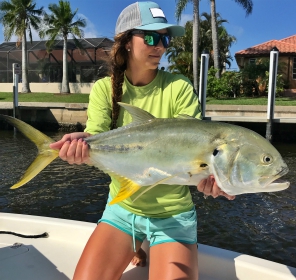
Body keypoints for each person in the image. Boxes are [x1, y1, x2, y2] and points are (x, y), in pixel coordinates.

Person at [50, 2, 235, 279]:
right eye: (150, 37)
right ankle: (136, 244)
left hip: (172, 216)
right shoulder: (104, 88)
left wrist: (216, 179)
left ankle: (146, 245)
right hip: (121, 210)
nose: (160, 45)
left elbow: (193, 146)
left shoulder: (178, 87)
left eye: (165, 38)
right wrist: (80, 146)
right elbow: (94, 136)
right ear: (125, 42)